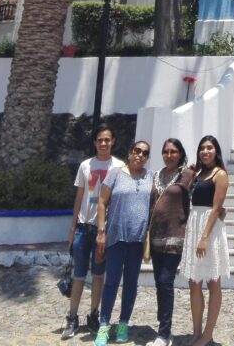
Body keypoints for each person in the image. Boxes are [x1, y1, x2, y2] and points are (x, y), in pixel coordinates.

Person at [62, 124, 123, 339]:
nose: (103, 143)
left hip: (103, 230)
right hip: (83, 227)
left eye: (107, 140)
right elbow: (79, 197)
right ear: (95, 142)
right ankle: (72, 317)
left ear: (113, 141)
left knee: (98, 275)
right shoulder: (85, 165)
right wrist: (72, 228)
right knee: (78, 274)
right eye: (100, 140)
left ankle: (94, 315)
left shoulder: (119, 167)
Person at [94, 140, 154, 346]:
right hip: (116, 236)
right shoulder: (116, 174)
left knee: (130, 284)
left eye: (145, 153)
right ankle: (104, 325)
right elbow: (102, 202)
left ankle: (123, 324)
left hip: (137, 240)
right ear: (130, 152)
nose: (140, 155)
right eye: (137, 150)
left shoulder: (150, 177)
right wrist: (101, 231)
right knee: (111, 282)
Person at [145, 138, 195, 346]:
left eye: (173, 151)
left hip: (175, 237)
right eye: (165, 151)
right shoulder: (157, 175)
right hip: (156, 237)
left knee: (166, 282)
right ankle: (163, 329)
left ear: (181, 153)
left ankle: (164, 334)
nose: (169, 155)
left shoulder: (187, 173)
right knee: (159, 284)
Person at [180, 134, 230, 346]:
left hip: (209, 230)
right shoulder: (198, 174)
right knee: (193, 282)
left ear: (216, 151)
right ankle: (196, 331)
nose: (206, 151)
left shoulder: (220, 174)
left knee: (213, 281)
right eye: (202, 148)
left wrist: (204, 237)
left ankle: (208, 334)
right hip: (195, 225)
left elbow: (217, 208)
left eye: (209, 148)